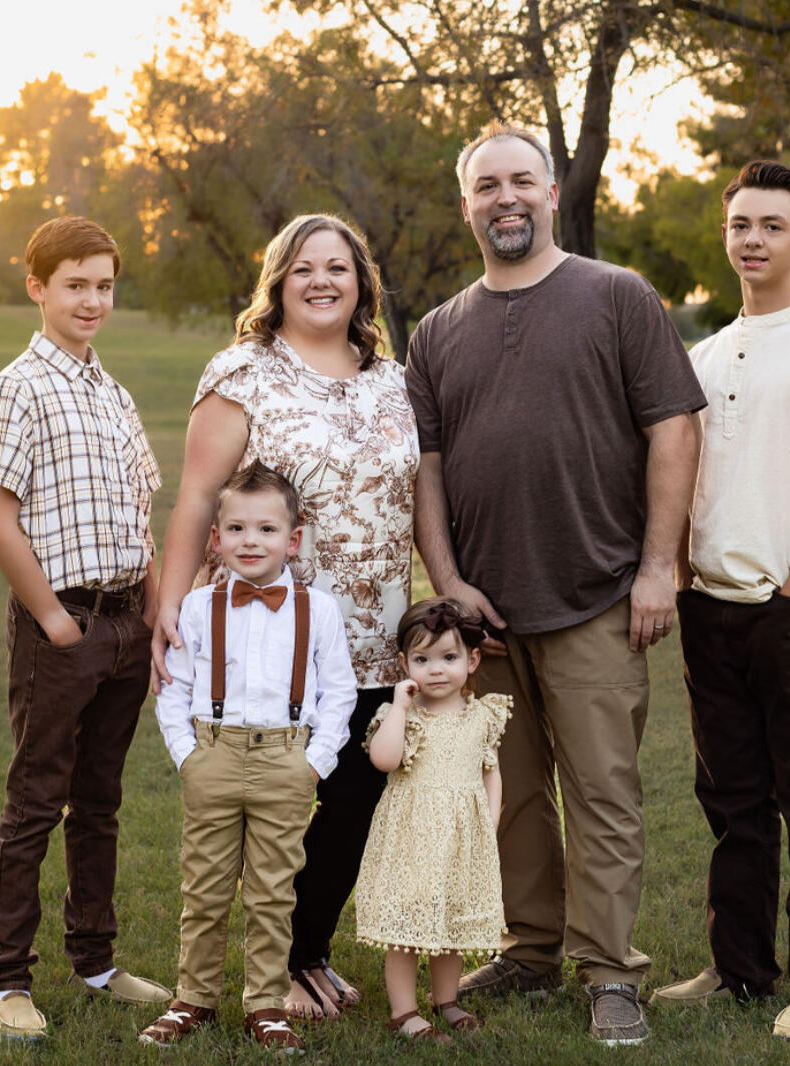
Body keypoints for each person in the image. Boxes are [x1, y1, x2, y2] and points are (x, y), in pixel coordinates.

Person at [404, 121, 705, 1047]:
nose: (505, 198)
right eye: (486, 185)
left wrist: (657, 567)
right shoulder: (436, 331)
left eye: (520, 181)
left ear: (550, 193)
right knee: (511, 796)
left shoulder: (616, 296)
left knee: (602, 793)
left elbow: (674, 429)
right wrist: (449, 584)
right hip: (485, 617)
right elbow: (426, 469)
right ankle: (531, 950)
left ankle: (609, 971)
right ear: (466, 205)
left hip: (598, 596)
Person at [151, 213, 419, 1020]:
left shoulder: (392, 379)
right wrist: (170, 606)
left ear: (361, 283)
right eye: (303, 268)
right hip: (269, 637)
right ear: (278, 282)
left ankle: (305, 955)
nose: (321, 281)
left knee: (353, 800)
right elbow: (198, 496)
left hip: (375, 632)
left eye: (337, 267)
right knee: (270, 808)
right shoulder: (243, 373)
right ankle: (264, 972)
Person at [650, 161, 790, 1042]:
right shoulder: (702, 358)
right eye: (739, 224)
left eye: (770, 226)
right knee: (731, 803)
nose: (751, 240)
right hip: (709, 611)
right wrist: (682, 581)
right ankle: (739, 968)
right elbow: (679, 483)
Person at [0, 216, 171, 1040]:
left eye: (104, 286)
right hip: (64, 625)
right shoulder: (16, 387)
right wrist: (53, 619)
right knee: (35, 802)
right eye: (75, 285)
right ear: (38, 287)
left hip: (124, 625)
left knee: (99, 803)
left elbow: (141, 514)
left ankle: (94, 961)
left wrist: (152, 611)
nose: (92, 300)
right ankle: (3, 984)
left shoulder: (112, 392)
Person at [139, 462, 356, 1051]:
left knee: (273, 891)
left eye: (266, 529)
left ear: (294, 539)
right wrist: (187, 757)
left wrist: (314, 763)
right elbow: (174, 687)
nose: (250, 541)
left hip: (286, 761)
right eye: (236, 529)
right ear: (216, 539)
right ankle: (193, 997)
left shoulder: (318, 611)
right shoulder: (196, 607)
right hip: (213, 755)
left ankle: (266, 1005)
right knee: (204, 887)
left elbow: (339, 694)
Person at [356, 598, 511, 1044]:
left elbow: (491, 771)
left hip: (461, 839)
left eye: (448, 658)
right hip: (410, 839)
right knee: (405, 927)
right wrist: (398, 709)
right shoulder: (402, 716)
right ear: (405, 665)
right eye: (422, 660)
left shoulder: (482, 716)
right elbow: (384, 760)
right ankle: (403, 1012)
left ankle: (447, 1000)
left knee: (453, 922)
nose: (436, 670)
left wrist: (489, 824)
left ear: (472, 660)